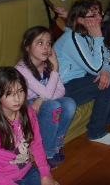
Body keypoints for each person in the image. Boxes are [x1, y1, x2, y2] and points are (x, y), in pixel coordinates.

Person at [53, 0, 110, 146]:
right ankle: (96, 132)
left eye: (99, 14)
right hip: (61, 89)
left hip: (78, 81)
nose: (100, 18)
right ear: (80, 20)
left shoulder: (87, 34)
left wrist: (107, 69)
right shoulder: (72, 39)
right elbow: (95, 68)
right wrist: (98, 38)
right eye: (94, 15)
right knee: (106, 83)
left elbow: (108, 57)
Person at [0, 67, 59, 185]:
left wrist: (45, 173)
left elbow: (36, 144)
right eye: (9, 93)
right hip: (1, 179)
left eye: (20, 91)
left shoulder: (28, 112)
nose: (17, 99)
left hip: (27, 172)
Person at [15, 26, 76, 168]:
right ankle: (46, 152)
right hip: (24, 108)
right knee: (52, 106)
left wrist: (41, 98)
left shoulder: (46, 65)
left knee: (69, 103)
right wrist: (56, 68)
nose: (46, 47)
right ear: (27, 47)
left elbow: (61, 91)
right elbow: (48, 94)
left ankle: (56, 144)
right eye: (40, 43)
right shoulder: (21, 69)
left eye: (48, 43)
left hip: (40, 104)